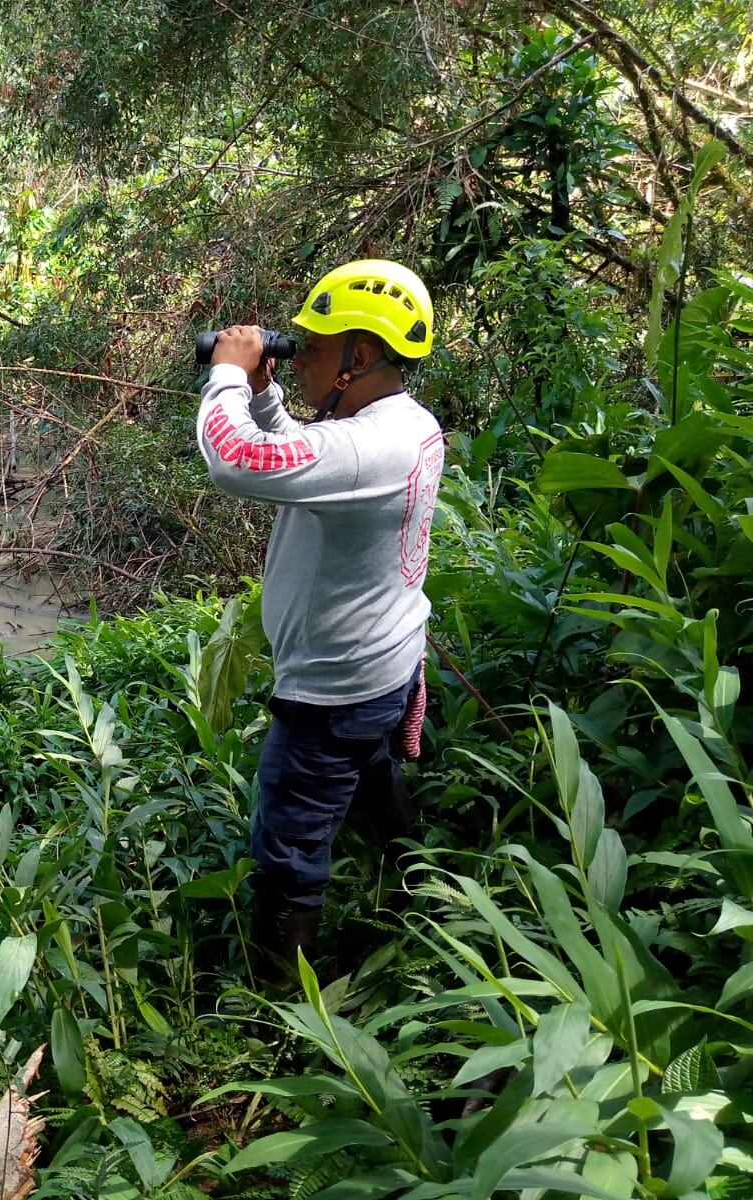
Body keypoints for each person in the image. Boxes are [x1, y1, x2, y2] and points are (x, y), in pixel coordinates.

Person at [195, 259, 444, 986]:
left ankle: (279, 1006)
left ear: (359, 357)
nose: (297, 354)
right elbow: (309, 461)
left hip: (332, 692)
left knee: (289, 845)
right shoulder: (404, 427)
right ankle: (422, 883)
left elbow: (236, 462)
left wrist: (230, 376)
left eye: (314, 344)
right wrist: (268, 396)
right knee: (371, 773)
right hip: (383, 666)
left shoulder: (371, 445)